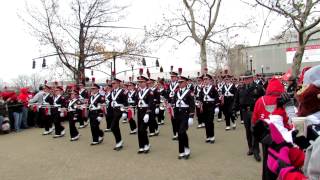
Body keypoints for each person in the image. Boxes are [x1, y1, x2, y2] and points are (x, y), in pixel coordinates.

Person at [252, 77, 285, 180]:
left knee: (267, 161)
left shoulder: (260, 100)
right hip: (281, 137)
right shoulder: (284, 100)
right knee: (283, 162)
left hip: (265, 137)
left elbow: (254, 119)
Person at [173, 75, 195, 159]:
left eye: (181, 82)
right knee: (179, 133)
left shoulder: (190, 92)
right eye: (179, 82)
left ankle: (187, 149)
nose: (180, 83)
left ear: (186, 82)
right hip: (178, 114)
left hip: (185, 114)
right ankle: (181, 151)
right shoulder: (176, 92)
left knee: (182, 132)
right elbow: (174, 103)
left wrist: (191, 116)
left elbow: (192, 105)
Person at [108, 78, 128, 151]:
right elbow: (110, 101)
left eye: (114, 83)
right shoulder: (112, 91)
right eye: (112, 83)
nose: (113, 85)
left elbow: (126, 103)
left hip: (119, 110)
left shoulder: (123, 92)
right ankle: (119, 142)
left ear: (118, 84)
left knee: (113, 127)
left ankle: (119, 141)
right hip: (113, 110)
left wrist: (125, 112)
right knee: (115, 127)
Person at [136, 75, 154, 153]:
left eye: (142, 82)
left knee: (143, 129)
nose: (140, 83)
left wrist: (147, 113)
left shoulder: (149, 91)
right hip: (139, 111)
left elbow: (151, 103)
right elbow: (136, 102)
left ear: (146, 82)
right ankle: (141, 146)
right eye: (139, 82)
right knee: (139, 130)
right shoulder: (138, 92)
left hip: (146, 112)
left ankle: (146, 144)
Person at [199, 73, 219, 143]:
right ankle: (208, 136)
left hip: (211, 106)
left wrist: (216, 107)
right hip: (204, 106)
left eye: (206, 79)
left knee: (210, 122)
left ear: (209, 80)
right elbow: (200, 98)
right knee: (206, 122)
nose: (205, 81)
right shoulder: (202, 89)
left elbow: (216, 97)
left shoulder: (213, 88)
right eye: (204, 79)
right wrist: (200, 105)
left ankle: (212, 136)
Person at [165, 71, 180, 140]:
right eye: (171, 77)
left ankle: (179, 133)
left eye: (173, 77)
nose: (172, 78)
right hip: (171, 104)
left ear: (176, 77)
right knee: (172, 119)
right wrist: (167, 101)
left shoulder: (179, 84)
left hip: (177, 103)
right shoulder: (169, 85)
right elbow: (167, 94)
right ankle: (175, 133)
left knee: (177, 119)